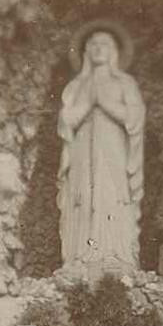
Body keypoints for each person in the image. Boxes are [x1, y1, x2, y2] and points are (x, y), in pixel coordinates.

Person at [57, 27, 145, 275]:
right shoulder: (77, 85)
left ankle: (114, 254)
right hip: (82, 152)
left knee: (111, 194)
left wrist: (105, 103)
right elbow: (66, 122)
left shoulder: (124, 83)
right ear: (86, 52)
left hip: (113, 150)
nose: (98, 49)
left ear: (114, 51)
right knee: (82, 195)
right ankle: (78, 256)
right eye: (93, 44)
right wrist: (87, 103)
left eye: (104, 44)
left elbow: (135, 117)